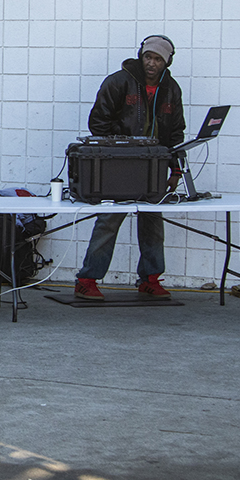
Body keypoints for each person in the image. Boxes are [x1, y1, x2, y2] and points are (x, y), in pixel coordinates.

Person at [75, 35, 185, 301]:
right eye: (148, 56)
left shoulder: (171, 89)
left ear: (167, 62)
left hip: (154, 165)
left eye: (157, 59)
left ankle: (150, 279)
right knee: (109, 221)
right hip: (120, 165)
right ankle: (86, 280)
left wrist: (175, 170)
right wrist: (118, 151)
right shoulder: (118, 81)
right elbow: (97, 123)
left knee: (153, 223)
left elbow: (176, 133)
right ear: (140, 55)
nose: (151, 63)